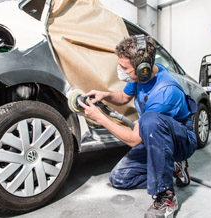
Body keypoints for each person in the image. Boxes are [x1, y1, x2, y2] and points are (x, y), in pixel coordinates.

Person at [78, 34, 197, 218]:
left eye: (124, 67)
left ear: (143, 69)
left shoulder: (165, 92)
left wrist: (99, 118)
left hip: (181, 140)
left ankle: (166, 197)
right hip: (155, 135)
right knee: (119, 178)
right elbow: (124, 98)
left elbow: (134, 140)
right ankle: (173, 168)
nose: (120, 70)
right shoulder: (141, 77)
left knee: (150, 121)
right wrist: (105, 95)